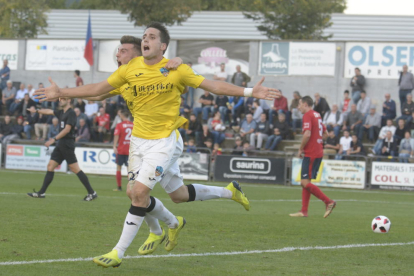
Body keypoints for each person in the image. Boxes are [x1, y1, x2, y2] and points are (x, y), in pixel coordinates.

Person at [34, 23, 279, 268]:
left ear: (161, 46)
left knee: (139, 193)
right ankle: (208, 204)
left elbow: (213, 86)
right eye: (144, 36)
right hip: (139, 142)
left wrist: (250, 92)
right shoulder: (129, 72)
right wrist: (62, 93)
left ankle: (119, 251)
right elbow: (98, 90)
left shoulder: (175, 69)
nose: (144, 40)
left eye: (150, 37)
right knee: (174, 195)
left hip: (165, 140)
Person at [27, 98, 97, 201]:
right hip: (61, 144)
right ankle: (41, 193)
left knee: (75, 169)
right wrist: (37, 111)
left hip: (67, 143)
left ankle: (92, 193)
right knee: (50, 166)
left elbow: (67, 130)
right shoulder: (61, 112)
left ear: (69, 100)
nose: (60, 100)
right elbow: (48, 111)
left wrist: (53, 139)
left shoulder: (71, 113)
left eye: (63, 99)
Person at [289, 96, 336, 218]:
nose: (298, 107)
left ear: (305, 104)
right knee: (305, 182)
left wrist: (300, 149)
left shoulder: (308, 115)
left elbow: (307, 134)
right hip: (317, 152)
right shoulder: (317, 115)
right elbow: (325, 134)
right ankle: (304, 211)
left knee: (304, 181)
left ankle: (328, 201)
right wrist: (318, 142)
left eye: (299, 104)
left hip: (311, 153)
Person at [113, 110, 133, 191]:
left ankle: (119, 187)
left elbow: (116, 135)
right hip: (130, 150)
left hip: (121, 149)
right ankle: (131, 187)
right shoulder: (133, 125)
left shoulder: (119, 125)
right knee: (129, 169)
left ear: (122, 115)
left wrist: (114, 146)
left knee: (118, 168)